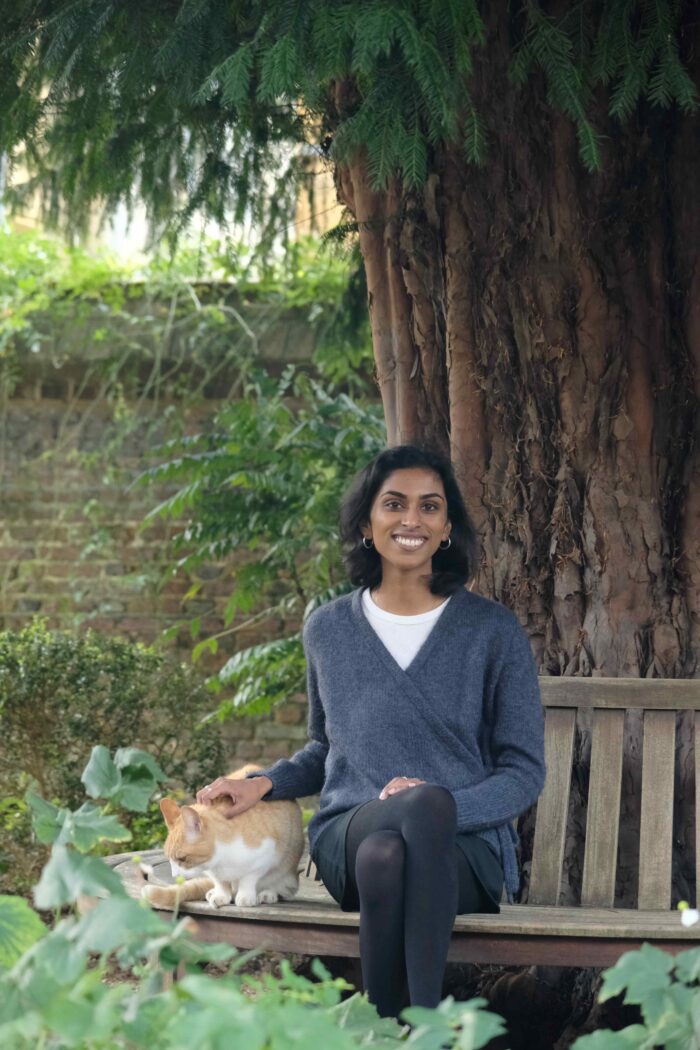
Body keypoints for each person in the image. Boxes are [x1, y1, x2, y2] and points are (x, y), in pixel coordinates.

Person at [196, 444, 546, 1019]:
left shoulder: (492, 631)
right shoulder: (328, 630)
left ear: (446, 528)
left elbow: (523, 771)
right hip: (349, 835)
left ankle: (387, 1027)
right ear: (367, 523)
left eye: (430, 507)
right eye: (394, 504)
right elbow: (324, 750)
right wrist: (264, 782)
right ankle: (429, 1029)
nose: (412, 519)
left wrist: (439, 805)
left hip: (464, 847)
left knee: (400, 842)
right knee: (386, 838)